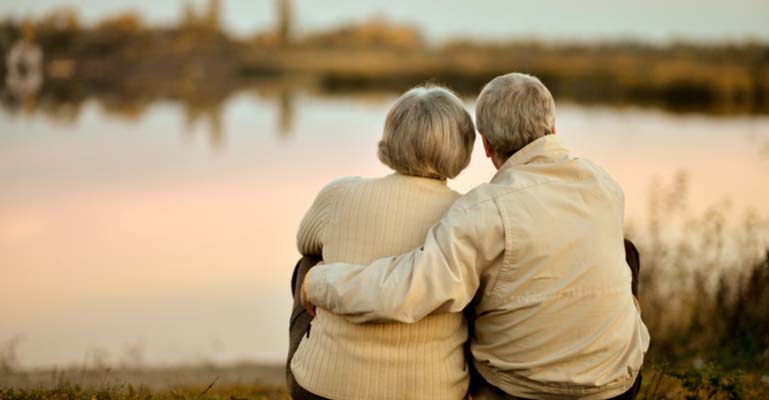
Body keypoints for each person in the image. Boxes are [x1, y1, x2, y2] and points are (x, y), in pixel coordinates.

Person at [303, 73, 650, 399]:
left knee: (469, 282)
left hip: (518, 390)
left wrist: (317, 283)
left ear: (485, 145)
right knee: (625, 252)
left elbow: (408, 290)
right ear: (553, 127)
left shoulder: (483, 210)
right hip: (617, 386)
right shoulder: (603, 184)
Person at [288, 85, 477, 400]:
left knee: (308, 264)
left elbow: (304, 241)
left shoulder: (340, 194)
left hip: (323, 391)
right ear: (463, 146)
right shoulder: (470, 213)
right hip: (434, 393)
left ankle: (327, 359)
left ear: (391, 139)